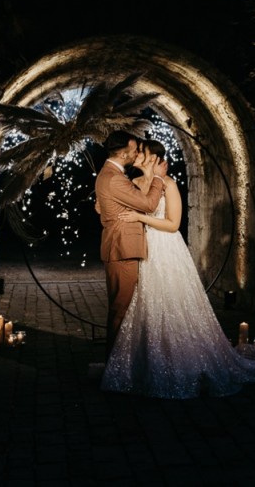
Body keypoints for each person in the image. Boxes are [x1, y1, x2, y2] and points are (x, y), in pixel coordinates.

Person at [101, 140, 255, 399]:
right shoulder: (135, 185)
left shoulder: (170, 184)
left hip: (165, 249)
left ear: (155, 158)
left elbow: (173, 224)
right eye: (138, 152)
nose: (138, 155)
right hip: (142, 251)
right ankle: (146, 360)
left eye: (143, 153)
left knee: (171, 302)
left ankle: (178, 359)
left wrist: (140, 218)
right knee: (145, 306)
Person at [94, 130, 168, 359]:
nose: (137, 153)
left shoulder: (111, 175)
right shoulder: (115, 178)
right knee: (121, 309)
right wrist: (157, 178)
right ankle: (115, 364)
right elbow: (147, 204)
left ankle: (119, 360)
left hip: (121, 246)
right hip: (122, 248)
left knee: (122, 307)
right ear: (124, 153)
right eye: (134, 149)